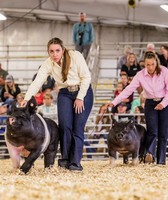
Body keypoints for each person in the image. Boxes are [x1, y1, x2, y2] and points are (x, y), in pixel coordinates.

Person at [21, 37, 93, 171]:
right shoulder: (48, 63)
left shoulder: (75, 56)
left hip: (83, 92)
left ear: (63, 49)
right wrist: (27, 97)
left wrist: (80, 97)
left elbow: (86, 77)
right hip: (65, 93)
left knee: (78, 128)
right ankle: (64, 161)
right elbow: (37, 82)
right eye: (51, 51)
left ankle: (75, 163)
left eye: (57, 50)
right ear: (48, 52)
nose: (55, 54)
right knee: (65, 127)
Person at [104, 51, 168, 165]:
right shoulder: (140, 75)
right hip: (150, 104)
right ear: (144, 64)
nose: (150, 67)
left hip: (165, 102)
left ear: (156, 63)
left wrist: (163, 103)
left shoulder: (164, 71)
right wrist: (114, 102)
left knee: (163, 133)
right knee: (152, 131)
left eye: (152, 64)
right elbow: (128, 90)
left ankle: (161, 161)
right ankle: (150, 155)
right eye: (148, 65)